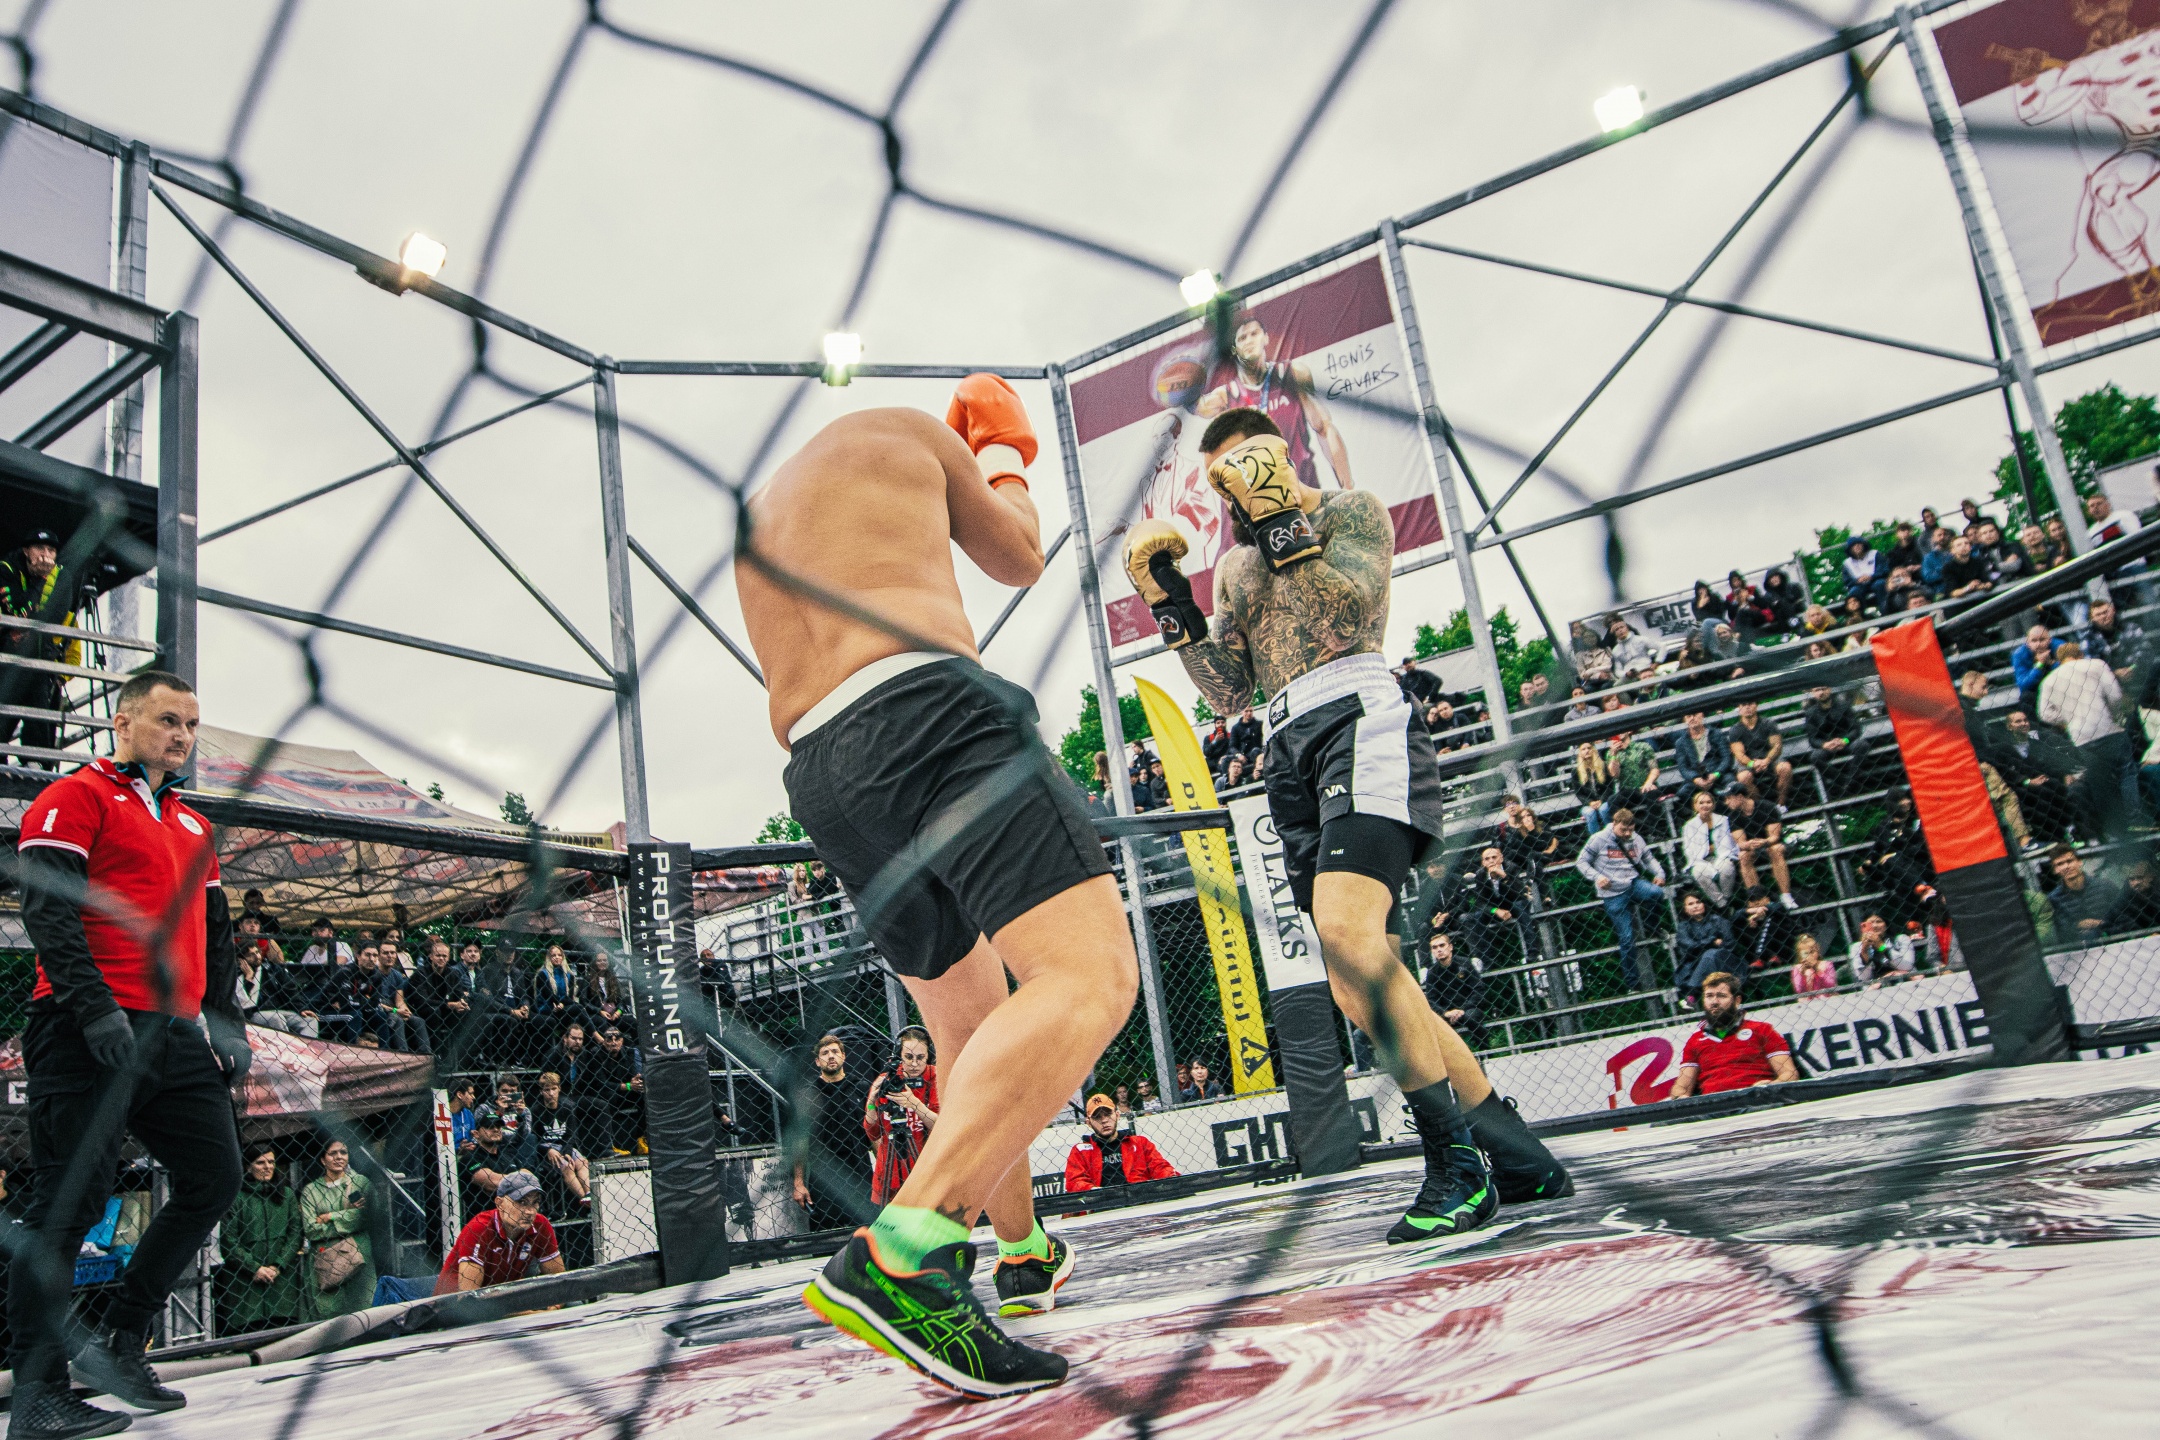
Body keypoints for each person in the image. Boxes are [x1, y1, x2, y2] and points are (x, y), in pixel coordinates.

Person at [737, 377, 1156, 1393]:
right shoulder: (917, 432)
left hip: (824, 772)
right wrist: (1004, 455)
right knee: (1089, 978)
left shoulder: (765, 509)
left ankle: (1019, 1252)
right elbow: (1018, 553)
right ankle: (908, 1250)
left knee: (971, 1032)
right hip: (929, 711)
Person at [1154, 404, 1571, 1250]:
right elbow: (1230, 691)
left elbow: (1344, 612)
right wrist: (1173, 605)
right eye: (1221, 480)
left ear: (1279, 456)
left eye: (1244, 465)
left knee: (1349, 935)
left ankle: (1455, 1166)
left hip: (1360, 717)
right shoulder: (1234, 566)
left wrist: (1281, 515)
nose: (1232, 489)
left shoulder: (1352, 512)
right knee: (1357, 980)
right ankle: (1516, 1154)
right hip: (1284, 748)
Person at [7, 670, 250, 1435]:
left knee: (215, 1176)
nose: (182, 736)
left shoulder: (194, 826)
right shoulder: (74, 796)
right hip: (84, 1026)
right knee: (69, 1202)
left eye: (191, 725)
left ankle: (120, 1337)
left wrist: (226, 1024)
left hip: (173, 1029)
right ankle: (36, 1393)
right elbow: (48, 910)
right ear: (123, 721)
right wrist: (94, 1007)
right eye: (168, 720)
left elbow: (216, 936)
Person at [1194, 310, 1353, 489]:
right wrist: (1185, 385)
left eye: (1254, 334)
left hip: (1303, 490)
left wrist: (1348, 488)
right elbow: (1199, 407)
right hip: (1263, 498)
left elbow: (1324, 428)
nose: (1249, 340)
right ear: (1234, 348)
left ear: (1266, 338)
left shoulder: (1293, 374)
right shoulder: (1227, 395)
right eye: (1242, 338)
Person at [2039, 640, 2139, 840]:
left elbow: (2044, 714)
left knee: (2099, 782)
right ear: (2080, 654)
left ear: (2059, 660)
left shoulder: (2050, 680)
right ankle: (2135, 819)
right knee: (2126, 772)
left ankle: (2115, 829)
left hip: (2081, 736)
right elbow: (2115, 696)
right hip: (2107, 727)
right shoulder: (2096, 665)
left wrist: (2068, 718)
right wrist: (2114, 715)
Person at [0, 531, 78, 768]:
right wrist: (39, 581)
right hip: (7, 657)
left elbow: (55, 617)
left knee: (40, 717)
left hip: (41, 658)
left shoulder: (62, 575)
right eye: (40, 548)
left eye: (51, 550)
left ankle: (36, 765)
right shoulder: (6, 568)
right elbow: (16, 612)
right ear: (26, 551)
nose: (46, 555)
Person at [1576, 808, 1668, 993]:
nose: (1627, 834)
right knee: (1626, 938)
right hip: (1612, 892)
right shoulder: (1599, 839)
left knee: (1656, 893)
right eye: (1623, 830)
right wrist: (1597, 877)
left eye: (1630, 830)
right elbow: (1581, 862)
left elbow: (1648, 858)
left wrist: (1659, 873)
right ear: (1614, 824)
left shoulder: (1636, 838)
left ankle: (1652, 926)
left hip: (1633, 883)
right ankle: (1632, 983)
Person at [220, 1143, 306, 1334]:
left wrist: (278, 1265)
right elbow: (228, 1241)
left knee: (286, 1334)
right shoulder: (236, 1197)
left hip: (282, 1282)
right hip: (246, 1287)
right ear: (248, 1166)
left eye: (271, 1162)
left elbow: (295, 1234)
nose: (267, 1167)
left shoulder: (287, 1195)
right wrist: (254, 1268)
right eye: (260, 1162)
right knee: (249, 1334)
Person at [433, 1170, 563, 1294]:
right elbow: (468, 1297)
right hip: (453, 1305)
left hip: (505, 1300)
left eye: (535, 1202)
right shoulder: (479, 1228)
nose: (530, 1211)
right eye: (521, 1202)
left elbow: (559, 1281)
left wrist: (556, 1304)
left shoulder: (540, 1224)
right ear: (499, 1203)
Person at [793, 1033, 874, 1233]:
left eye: (835, 1051)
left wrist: (884, 1175)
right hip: (825, 1176)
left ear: (843, 1056)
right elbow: (800, 1141)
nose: (831, 1056)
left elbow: (875, 1134)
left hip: (860, 1170)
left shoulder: (861, 1088)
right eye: (825, 1053)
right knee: (827, 1236)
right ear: (817, 1061)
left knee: (867, 1233)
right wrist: (798, 1182)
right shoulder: (809, 1093)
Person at [1668, 973, 1799, 1096]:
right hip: (1714, 1105)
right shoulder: (1695, 1040)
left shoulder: (1762, 1030)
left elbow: (1790, 1074)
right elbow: (1681, 1087)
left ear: (1737, 1000)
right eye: (1709, 996)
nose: (1714, 1002)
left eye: (1721, 996)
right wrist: (1680, 1096)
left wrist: (1769, 1087)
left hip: (1756, 1099)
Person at [300, 1139, 375, 1319]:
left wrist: (331, 1216)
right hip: (327, 1259)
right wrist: (350, 1219)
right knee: (329, 1314)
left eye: (343, 1152)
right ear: (322, 1160)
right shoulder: (311, 1191)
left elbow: (370, 1216)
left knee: (363, 1311)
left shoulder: (360, 1183)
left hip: (359, 1255)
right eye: (332, 1153)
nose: (339, 1157)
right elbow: (311, 1229)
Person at [864, 1028, 939, 1206]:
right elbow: (872, 1133)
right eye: (908, 1057)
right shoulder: (888, 1079)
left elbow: (941, 1127)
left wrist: (914, 1104)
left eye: (920, 1057)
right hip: (892, 1168)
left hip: (928, 1168)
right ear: (899, 1055)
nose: (914, 1064)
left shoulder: (936, 1077)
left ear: (929, 1056)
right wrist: (872, 1104)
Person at [1063, 1095, 1178, 1193]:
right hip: (1103, 1205)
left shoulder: (1140, 1143)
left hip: (1141, 1201)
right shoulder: (1080, 1151)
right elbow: (1074, 1182)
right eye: (1097, 1117)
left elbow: (1160, 1167)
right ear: (1089, 1122)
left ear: (1117, 1115)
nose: (1104, 1120)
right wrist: (1097, 1193)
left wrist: (1171, 1177)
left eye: (1108, 1114)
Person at [1723, 788, 1798, 911]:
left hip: (1772, 844)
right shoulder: (1732, 816)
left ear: (1740, 796)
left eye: (1729, 798)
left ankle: (1786, 895)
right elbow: (1741, 843)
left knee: (1776, 849)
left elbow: (1774, 836)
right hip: (1752, 849)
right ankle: (1757, 899)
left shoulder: (1766, 806)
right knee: (1743, 856)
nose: (1726, 802)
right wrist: (1749, 844)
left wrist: (1764, 842)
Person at [530, 1072, 590, 1207]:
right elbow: (533, 1139)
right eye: (547, 1090)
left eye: (554, 1089)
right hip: (546, 1149)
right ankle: (585, 1200)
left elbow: (571, 1135)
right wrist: (547, 1150)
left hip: (564, 1145)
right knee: (566, 1166)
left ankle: (589, 1194)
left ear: (559, 1089)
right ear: (541, 1091)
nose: (551, 1093)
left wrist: (567, 1152)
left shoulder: (567, 1108)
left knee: (582, 1162)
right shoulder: (536, 1111)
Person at [1801, 683, 1871, 797]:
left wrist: (1845, 740)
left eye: (1823, 689)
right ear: (1813, 693)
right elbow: (1813, 739)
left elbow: (1856, 729)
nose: (1821, 692)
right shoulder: (1810, 713)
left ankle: (1851, 782)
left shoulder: (1843, 705)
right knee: (1815, 757)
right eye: (1817, 690)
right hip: (1828, 746)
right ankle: (1844, 782)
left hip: (1847, 742)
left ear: (1829, 689)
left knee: (1862, 745)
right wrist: (1825, 744)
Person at [1419, 934, 1486, 1047]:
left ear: (1450, 947)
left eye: (1442, 945)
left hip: (1469, 1008)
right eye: (1434, 947)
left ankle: (1485, 1052)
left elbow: (1479, 990)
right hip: (1447, 1012)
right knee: (1428, 1026)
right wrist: (1445, 1013)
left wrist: (1462, 1010)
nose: (1439, 950)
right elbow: (1431, 1000)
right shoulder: (1432, 972)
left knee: (1471, 1018)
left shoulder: (1465, 963)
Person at [1673, 891, 1736, 1007]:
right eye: (1690, 904)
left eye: (1698, 902)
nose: (1695, 906)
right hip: (1695, 963)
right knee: (1708, 954)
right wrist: (1712, 941)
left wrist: (1703, 946)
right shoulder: (1683, 927)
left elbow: (1729, 943)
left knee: (1711, 954)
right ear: (1685, 909)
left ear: (1704, 904)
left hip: (1722, 961)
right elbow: (1690, 947)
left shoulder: (1718, 920)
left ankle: (1692, 994)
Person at [1680, 790, 1740, 910]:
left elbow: (1728, 844)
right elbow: (1689, 850)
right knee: (1698, 872)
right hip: (1701, 860)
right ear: (1695, 806)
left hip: (1722, 856)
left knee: (1726, 868)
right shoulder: (1689, 826)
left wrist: (1714, 850)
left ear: (1713, 804)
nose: (1705, 805)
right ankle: (1722, 904)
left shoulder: (1723, 820)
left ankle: (1727, 897)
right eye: (1701, 803)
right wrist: (1707, 850)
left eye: (1708, 802)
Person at [1726, 699, 1792, 806]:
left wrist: (1766, 760)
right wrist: (1753, 763)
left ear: (1756, 706)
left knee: (1785, 768)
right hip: (1748, 762)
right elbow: (1739, 754)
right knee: (1743, 777)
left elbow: (1777, 746)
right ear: (1739, 708)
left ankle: (1781, 805)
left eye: (1750, 703)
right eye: (1744, 704)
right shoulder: (1735, 730)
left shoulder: (1768, 723)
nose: (1747, 707)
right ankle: (1760, 807)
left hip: (1770, 759)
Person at [458, 1106, 517, 1220]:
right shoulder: (470, 1158)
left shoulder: (507, 1156)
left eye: (498, 1126)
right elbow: (493, 1182)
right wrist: (518, 1181)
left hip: (510, 1217)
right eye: (489, 1127)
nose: (496, 1130)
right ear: (476, 1134)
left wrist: (511, 1182)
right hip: (484, 1220)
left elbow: (525, 1176)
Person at [1671, 710, 1734, 799]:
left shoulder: (1716, 734)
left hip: (1719, 774)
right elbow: (1683, 768)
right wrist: (1695, 779)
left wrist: (1716, 774)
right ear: (1684, 720)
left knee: (1731, 782)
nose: (1692, 718)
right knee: (1683, 793)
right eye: (1689, 716)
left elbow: (1727, 758)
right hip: (1696, 778)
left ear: (1702, 715)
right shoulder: (1680, 742)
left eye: (1695, 714)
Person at [1573, 741, 1617, 831]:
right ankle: (1596, 838)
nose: (1587, 751)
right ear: (1580, 753)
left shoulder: (1603, 766)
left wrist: (1601, 800)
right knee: (1590, 813)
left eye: (1589, 748)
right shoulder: (1576, 772)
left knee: (1603, 809)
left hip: (1604, 800)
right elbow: (1579, 793)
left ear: (1593, 750)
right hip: (1588, 804)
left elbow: (1610, 787)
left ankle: (1610, 833)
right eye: (1583, 749)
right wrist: (1590, 803)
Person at [1790, 933, 1838, 999]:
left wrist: (1817, 969)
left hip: (1827, 998)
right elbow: (1799, 990)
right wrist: (1803, 973)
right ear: (1800, 954)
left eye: (1813, 951)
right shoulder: (1797, 968)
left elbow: (1831, 984)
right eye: (1806, 953)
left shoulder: (1826, 964)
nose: (1810, 955)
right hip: (1807, 1001)